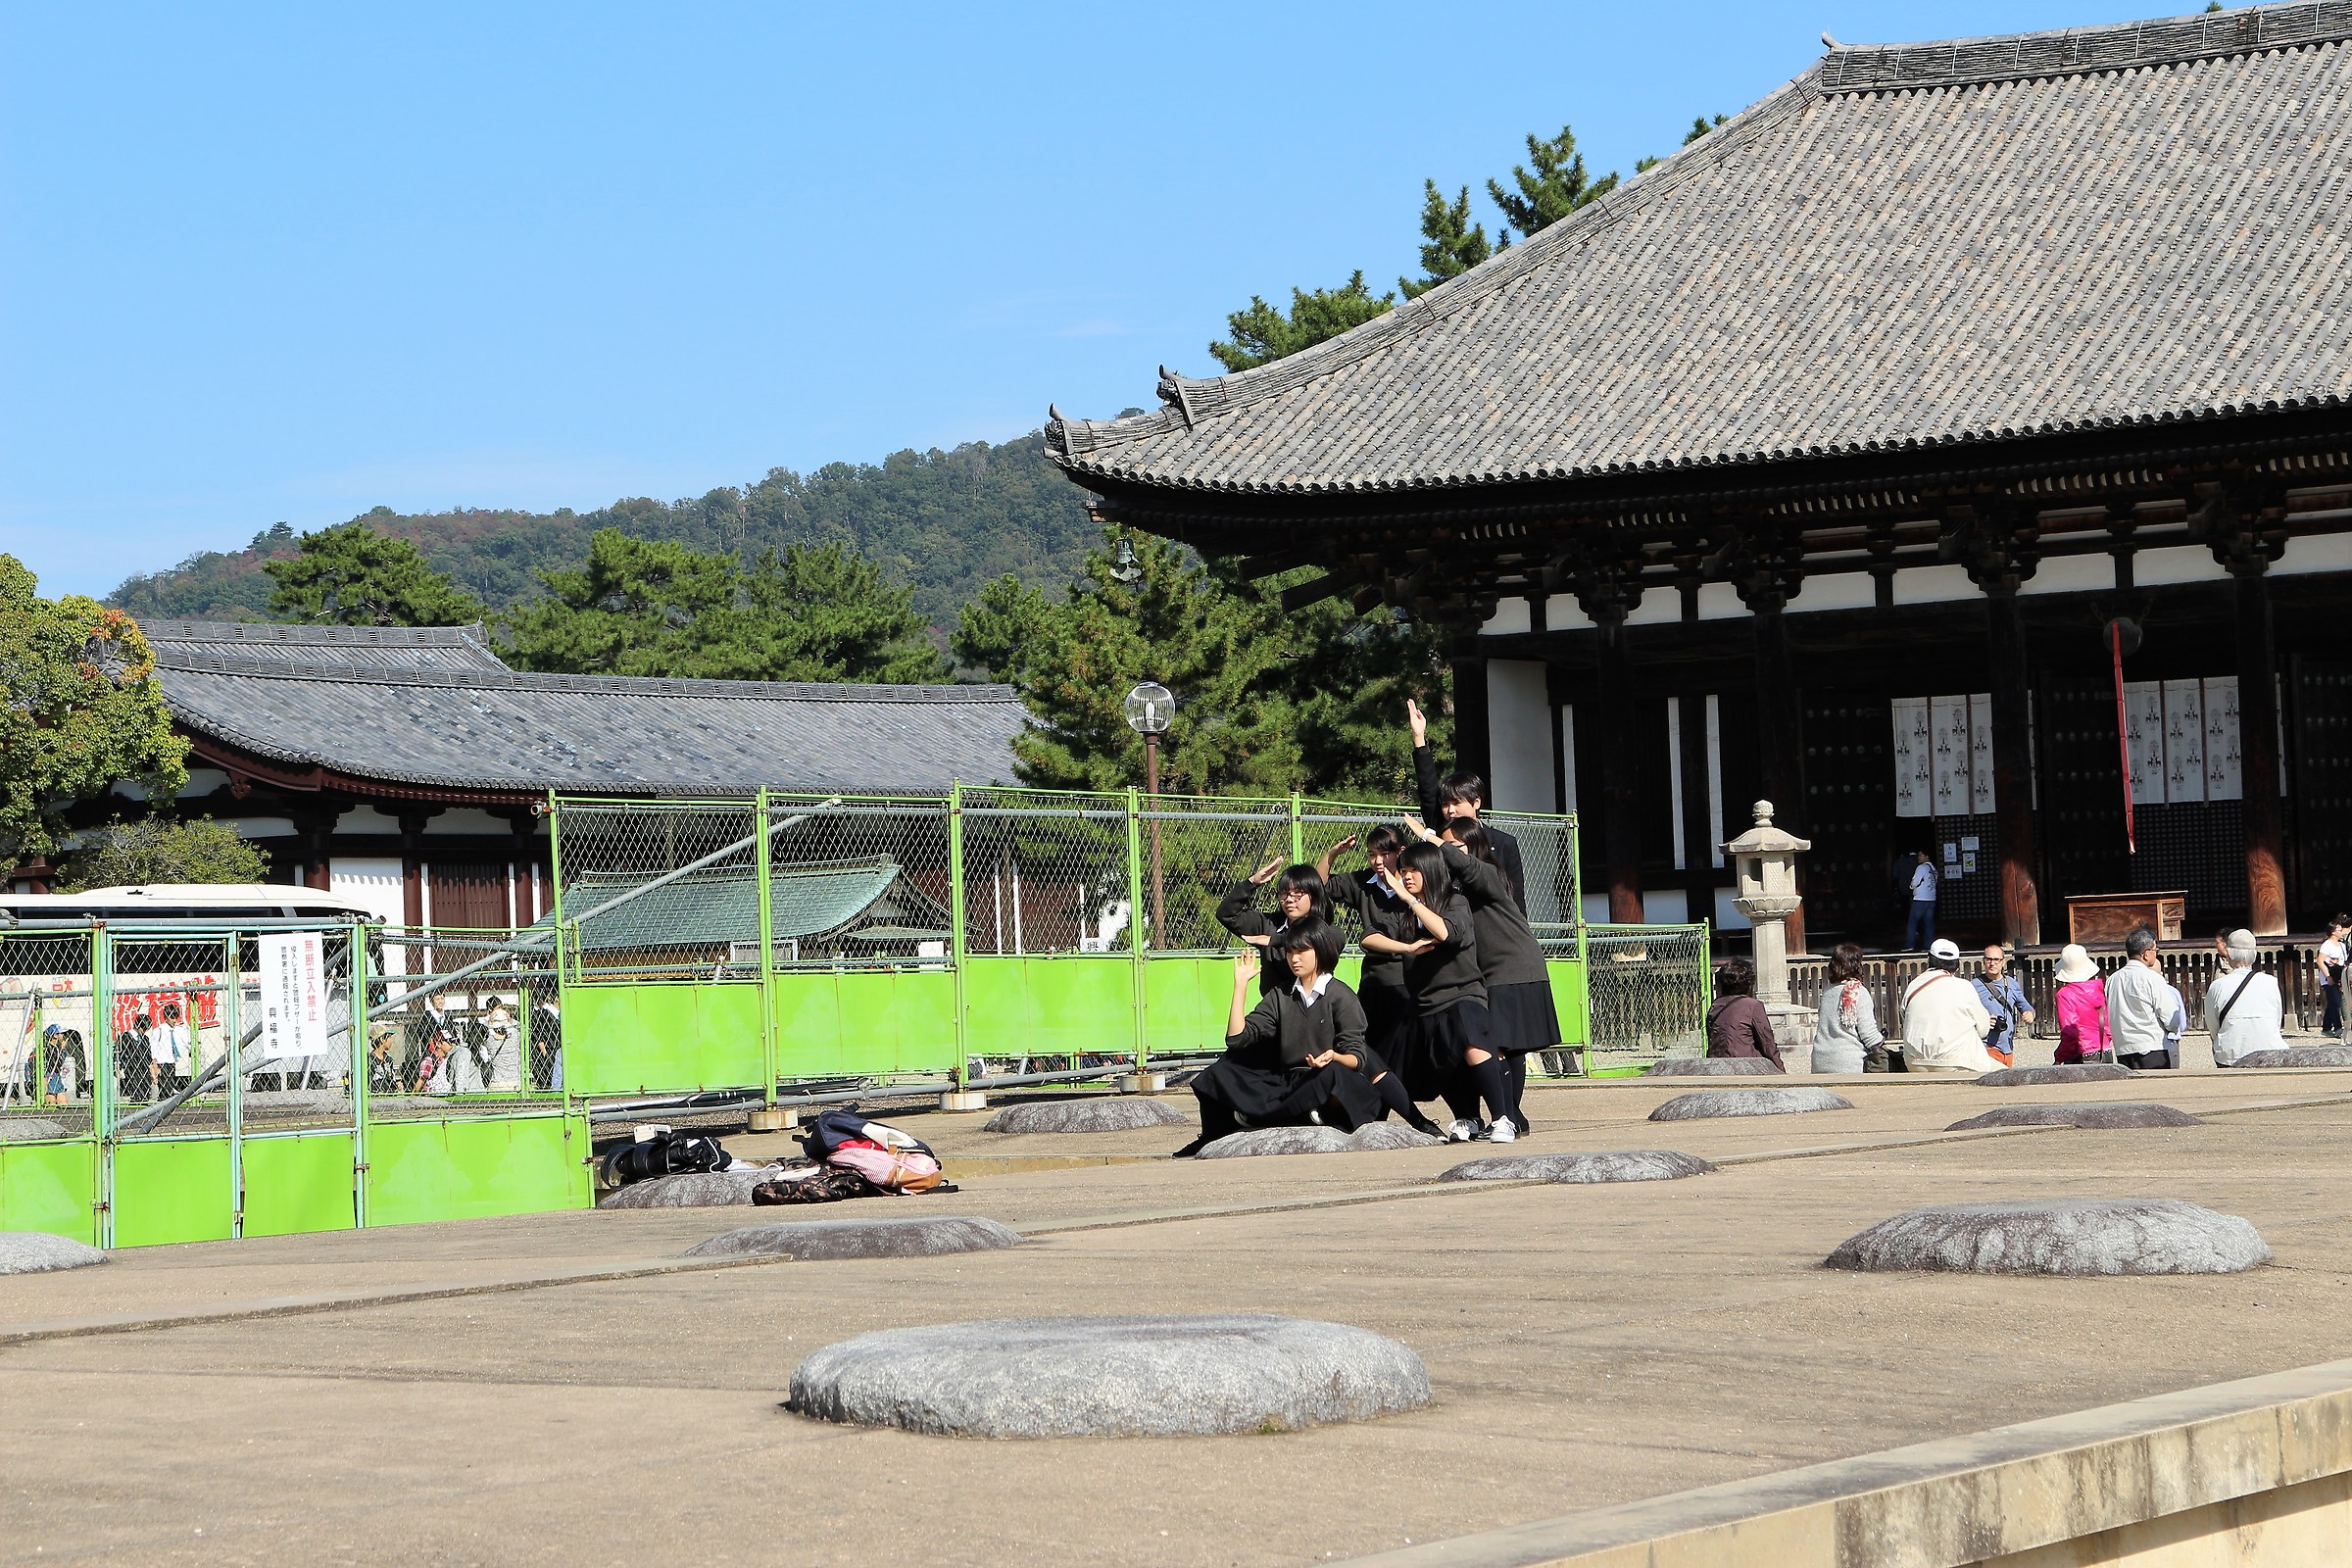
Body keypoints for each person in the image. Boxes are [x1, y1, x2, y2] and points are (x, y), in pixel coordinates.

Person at [1174, 922, 1384, 1157]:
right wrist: (1241, 985)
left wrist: (1334, 1057)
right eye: (1290, 952)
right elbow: (1236, 1039)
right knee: (1218, 1072)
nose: (1294, 958)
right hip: (1289, 1081)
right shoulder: (1280, 995)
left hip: (1325, 1076)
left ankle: (1275, 1116)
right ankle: (1219, 1134)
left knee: (1333, 1076)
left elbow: (1357, 1057)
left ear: (1321, 950)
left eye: (1302, 951)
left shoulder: (1342, 996)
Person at [1411, 813, 1561, 1135]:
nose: (1446, 852)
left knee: (1506, 1044)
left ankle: (1507, 1116)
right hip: (1485, 972)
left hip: (1512, 967)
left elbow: (1464, 864)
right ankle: (1492, 1116)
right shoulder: (1454, 887)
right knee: (1488, 1043)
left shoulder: (1488, 874)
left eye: (1454, 846)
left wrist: (1429, 836)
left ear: (1474, 846)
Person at [1390, 839, 1508, 1142]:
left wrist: (1413, 902)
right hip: (1426, 1001)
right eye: (1403, 870)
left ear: (1431, 870)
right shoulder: (1402, 912)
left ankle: (1501, 1119)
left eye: (1414, 870)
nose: (1407, 877)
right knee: (1443, 1060)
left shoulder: (1455, 902)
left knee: (1472, 1044)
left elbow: (1446, 932)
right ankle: (1468, 1118)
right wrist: (1406, 943)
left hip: (1462, 992)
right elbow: (1369, 938)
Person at [1319, 826, 1422, 1118]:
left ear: (1400, 853)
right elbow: (1319, 885)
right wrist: (1332, 855)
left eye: (1384, 854)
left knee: (1402, 1053)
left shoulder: (1416, 883)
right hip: (1376, 980)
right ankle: (1370, 1115)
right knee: (1370, 1050)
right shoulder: (1364, 882)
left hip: (1413, 981)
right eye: (1372, 855)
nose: (1377, 861)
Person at [1406, 699, 1526, 905]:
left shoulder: (1504, 843)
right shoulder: (1441, 832)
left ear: (1476, 803)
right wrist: (1419, 739)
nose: (1450, 810)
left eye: (1456, 803)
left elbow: (1516, 900)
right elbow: (1428, 789)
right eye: (1445, 804)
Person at [1216, 859, 1328, 997]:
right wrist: (1251, 882)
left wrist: (1275, 940)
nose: (1289, 899)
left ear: (1314, 895)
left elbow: (1333, 938)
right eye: (1284, 893)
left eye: (1297, 893)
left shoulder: (1325, 930)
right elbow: (1226, 914)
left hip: (1313, 1005)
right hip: (1273, 1008)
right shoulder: (1268, 924)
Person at [1898, 939, 1998, 1073]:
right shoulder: (1964, 986)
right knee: (2005, 1075)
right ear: (1957, 966)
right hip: (1957, 1061)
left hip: (1914, 1062)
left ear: (1929, 960)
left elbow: (1905, 1019)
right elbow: (1983, 1030)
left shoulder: (1913, 986)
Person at [2205, 928, 2283, 1066]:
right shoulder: (2271, 982)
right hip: (2269, 1052)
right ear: (2254, 954)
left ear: (2228, 953)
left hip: (2231, 1055)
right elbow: (2276, 1020)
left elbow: (2213, 1027)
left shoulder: (2217, 986)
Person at [2106, 926, 2176, 1070]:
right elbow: (2169, 1015)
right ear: (2145, 954)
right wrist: (2172, 1028)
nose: (2156, 954)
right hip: (2151, 1046)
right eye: (2155, 950)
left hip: (2123, 1048)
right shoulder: (2152, 978)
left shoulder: (2113, 979)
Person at [1811, 942, 1883, 1074]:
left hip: (1819, 1061)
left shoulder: (1827, 992)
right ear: (1857, 966)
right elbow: (1869, 1035)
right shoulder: (1859, 993)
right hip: (1849, 1063)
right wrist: (1883, 1042)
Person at [1705, 956, 1784, 1068]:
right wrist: (1780, 1070)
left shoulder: (1715, 1006)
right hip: (1746, 1065)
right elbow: (1767, 1043)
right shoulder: (1753, 1006)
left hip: (1716, 1065)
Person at [1972, 945, 2035, 1067]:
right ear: (1983, 961)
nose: (1992, 963)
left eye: (1996, 960)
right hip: (1986, 1046)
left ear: (2003, 962)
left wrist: (2030, 1014)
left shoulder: (2012, 984)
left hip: (2008, 1047)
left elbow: (2026, 1007)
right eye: (1988, 959)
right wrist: (1983, 1020)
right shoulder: (1974, 986)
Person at [2052, 944, 2111, 1063]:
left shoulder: (2065, 994)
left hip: (2081, 1053)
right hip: (2104, 1050)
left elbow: (2071, 1033)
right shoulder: (2097, 989)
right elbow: (2107, 1026)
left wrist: (2059, 1057)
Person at [2317, 914, 2349, 1040]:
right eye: (2339, 930)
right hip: (2329, 975)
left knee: (2335, 1001)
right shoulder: (2327, 945)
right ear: (2333, 932)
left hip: (2339, 974)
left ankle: (2326, 1028)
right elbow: (2320, 961)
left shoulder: (2341, 945)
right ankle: (2338, 1027)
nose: (2341, 932)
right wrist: (2328, 976)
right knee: (2335, 1001)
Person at [150, 1003, 190, 1099]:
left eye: (176, 1017)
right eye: (172, 1017)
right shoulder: (159, 1031)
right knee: (165, 1087)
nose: (174, 1020)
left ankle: (166, 1100)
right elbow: (153, 1047)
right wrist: (154, 1062)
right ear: (166, 1017)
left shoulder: (179, 1030)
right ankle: (164, 1101)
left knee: (170, 1083)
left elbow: (187, 1042)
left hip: (172, 1060)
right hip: (162, 1061)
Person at [1903, 851, 1939, 952]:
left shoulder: (1921, 867)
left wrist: (1911, 886)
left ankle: (1909, 944)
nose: (1918, 857)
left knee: (1912, 922)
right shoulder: (1933, 868)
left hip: (1920, 898)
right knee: (1929, 923)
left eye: (1920, 855)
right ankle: (1928, 946)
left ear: (1926, 856)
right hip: (1931, 898)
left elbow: (1915, 881)